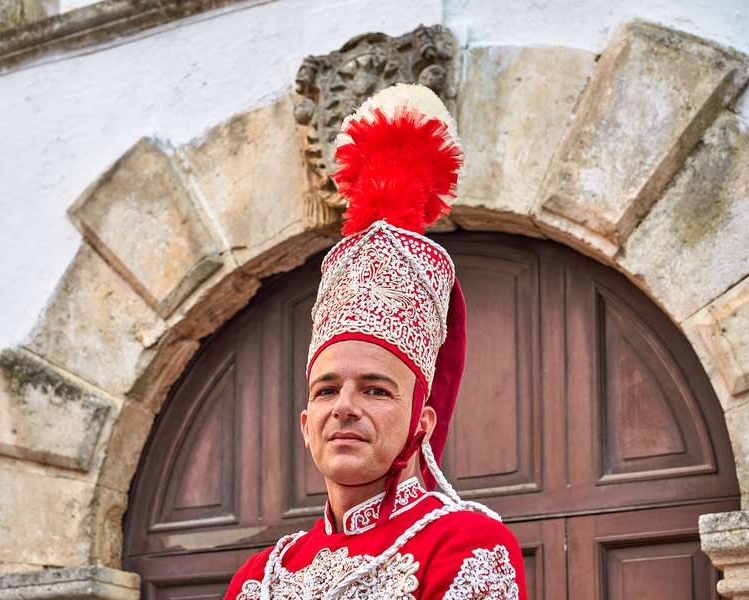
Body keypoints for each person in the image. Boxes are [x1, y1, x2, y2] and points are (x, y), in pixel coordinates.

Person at [224, 83, 527, 600]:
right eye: (326, 390)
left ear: (421, 421)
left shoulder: (467, 544)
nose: (344, 407)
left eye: (376, 390)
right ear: (305, 425)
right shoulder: (260, 576)